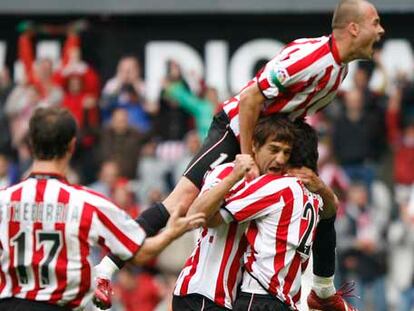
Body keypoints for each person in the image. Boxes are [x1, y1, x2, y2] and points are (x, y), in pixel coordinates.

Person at [94, 0, 384, 309]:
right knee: (179, 203)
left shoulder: (339, 73)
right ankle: (106, 269)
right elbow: (249, 100)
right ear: (353, 28)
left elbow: (289, 119)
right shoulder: (310, 58)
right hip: (236, 132)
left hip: (269, 142)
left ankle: (322, 291)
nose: (381, 30)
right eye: (376, 22)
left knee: (323, 204)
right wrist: (249, 161)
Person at [0, 107, 204, 311]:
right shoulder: (87, 203)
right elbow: (139, 253)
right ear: (72, 145)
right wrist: (171, 233)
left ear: (31, 144)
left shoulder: (4, 199)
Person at [175, 117, 340, 311]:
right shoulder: (226, 172)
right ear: (254, 146)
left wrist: (321, 187)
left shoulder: (271, 188)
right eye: (274, 149)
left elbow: (329, 213)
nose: (280, 159)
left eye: (286, 153)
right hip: (202, 293)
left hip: (230, 298)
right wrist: (233, 177)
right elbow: (195, 216)